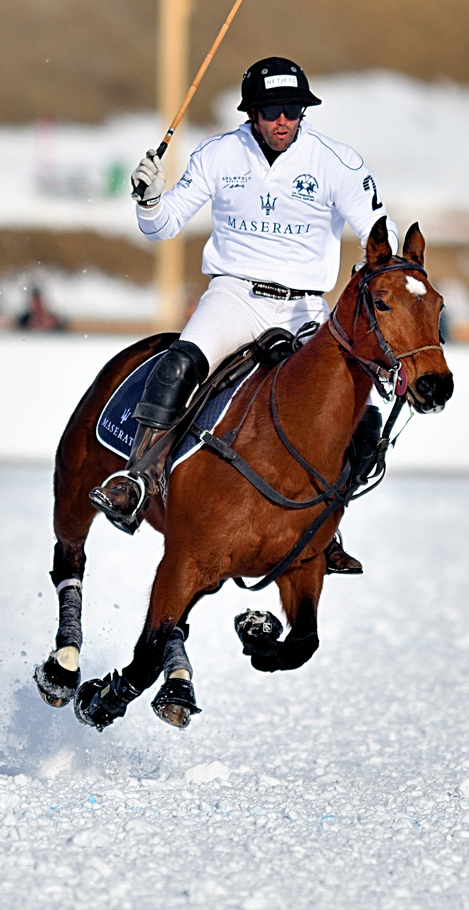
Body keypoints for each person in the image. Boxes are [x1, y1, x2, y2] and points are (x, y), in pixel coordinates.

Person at [90, 56, 397, 576]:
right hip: (234, 296)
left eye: (294, 110)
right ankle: (139, 478)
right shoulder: (218, 155)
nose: (285, 121)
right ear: (252, 113)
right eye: (273, 110)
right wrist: (147, 200)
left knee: (353, 413)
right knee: (179, 365)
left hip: (303, 305)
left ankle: (327, 524)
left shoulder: (336, 163)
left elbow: (377, 236)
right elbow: (163, 226)